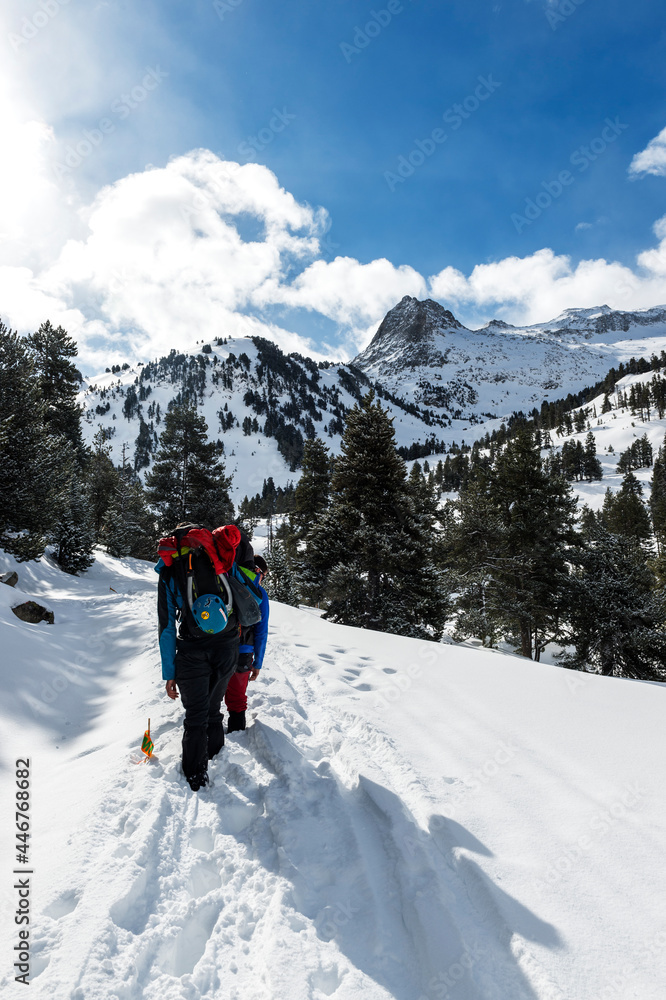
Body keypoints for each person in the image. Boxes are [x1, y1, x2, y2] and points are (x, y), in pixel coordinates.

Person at [156, 522, 241, 791]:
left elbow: (167, 626)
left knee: (195, 715)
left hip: (192, 650)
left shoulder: (170, 572)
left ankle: (195, 777)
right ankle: (217, 757)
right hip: (227, 645)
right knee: (214, 708)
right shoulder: (222, 559)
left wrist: (170, 673)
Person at [224, 553, 269, 732]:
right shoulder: (259, 594)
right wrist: (257, 663)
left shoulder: (226, 582)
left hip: (219, 647)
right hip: (244, 651)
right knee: (237, 699)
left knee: (211, 695)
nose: (263, 579)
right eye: (264, 575)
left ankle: (210, 739)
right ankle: (236, 733)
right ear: (257, 571)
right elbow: (261, 631)